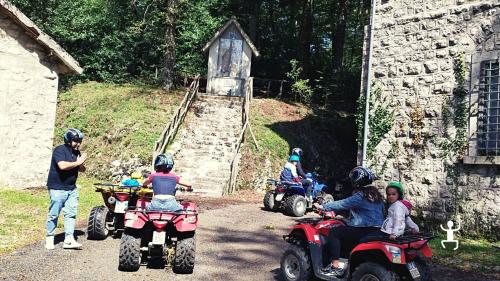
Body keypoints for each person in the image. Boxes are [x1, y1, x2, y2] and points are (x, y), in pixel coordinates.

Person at [313, 166, 384, 276]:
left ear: (358, 180)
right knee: (345, 226)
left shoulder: (361, 196)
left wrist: (323, 207)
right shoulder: (376, 195)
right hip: (377, 230)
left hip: (364, 229)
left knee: (334, 232)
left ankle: (334, 266)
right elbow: (364, 211)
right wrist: (342, 215)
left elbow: (342, 203)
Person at [45, 128, 87, 250]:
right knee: (54, 214)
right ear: (68, 140)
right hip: (57, 188)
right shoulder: (59, 150)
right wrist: (79, 161)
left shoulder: (76, 152)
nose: (78, 143)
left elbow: (82, 169)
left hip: (71, 188)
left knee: (71, 213)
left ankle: (69, 240)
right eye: (75, 140)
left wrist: (81, 162)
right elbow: (62, 166)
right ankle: (49, 237)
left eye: (80, 141)